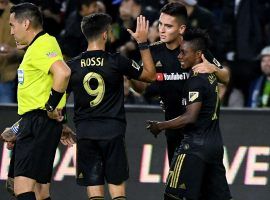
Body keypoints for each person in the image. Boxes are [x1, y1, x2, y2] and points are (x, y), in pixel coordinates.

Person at [66, 13, 155, 199]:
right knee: (118, 194)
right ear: (105, 34)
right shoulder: (117, 61)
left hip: (85, 133)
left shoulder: (71, 66)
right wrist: (143, 43)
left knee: (94, 194)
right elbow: (150, 76)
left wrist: (62, 125)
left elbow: (59, 100)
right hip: (112, 133)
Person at [131, 2, 230, 164]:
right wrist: (130, 73)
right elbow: (141, 88)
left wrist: (213, 68)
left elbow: (225, 78)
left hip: (200, 132)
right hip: (174, 130)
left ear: (182, 29)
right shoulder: (153, 51)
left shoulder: (193, 50)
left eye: (168, 26)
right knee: (179, 184)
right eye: (161, 24)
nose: (162, 30)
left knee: (198, 186)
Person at [147, 28, 231, 200]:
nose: (179, 56)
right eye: (179, 52)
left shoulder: (195, 80)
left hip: (193, 147)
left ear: (199, 54)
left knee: (173, 195)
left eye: (184, 53)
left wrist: (160, 126)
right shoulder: (210, 76)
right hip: (214, 146)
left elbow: (190, 117)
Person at [9, 3, 71, 200]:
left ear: (25, 23)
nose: (11, 32)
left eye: (12, 25)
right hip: (37, 122)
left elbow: (63, 73)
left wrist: (51, 107)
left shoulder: (43, 44)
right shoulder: (39, 45)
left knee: (22, 187)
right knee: (40, 191)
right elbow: (41, 92)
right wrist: (17, 128)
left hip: (37, 123)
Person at [0, 0, 24, 103]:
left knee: (7, 114)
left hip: (8, 75)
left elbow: (28, 47)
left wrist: (14, 52)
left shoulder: (18, 13)